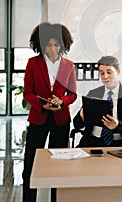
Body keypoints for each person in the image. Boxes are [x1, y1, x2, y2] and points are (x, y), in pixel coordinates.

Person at [22, 22, 77, 202]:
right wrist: (41, 104)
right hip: (38, 117)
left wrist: (62, 101)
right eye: (48, 45)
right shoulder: (33, 63)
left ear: (62, 44)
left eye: (56, 45)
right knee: (30, 162)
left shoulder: (69, 65)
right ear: (41, 44)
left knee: (59, 165)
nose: (52, 49)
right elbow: (28, 92)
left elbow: (73, 94)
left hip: (61, 119)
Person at [73, 55, 122, 147]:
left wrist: (118, 126)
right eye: (101, 73)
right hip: (92, 141)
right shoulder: (93, 94)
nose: (105, 77)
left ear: (118, 71)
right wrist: (81, 117)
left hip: (118, 143)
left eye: (109, 72)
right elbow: (77, 125)